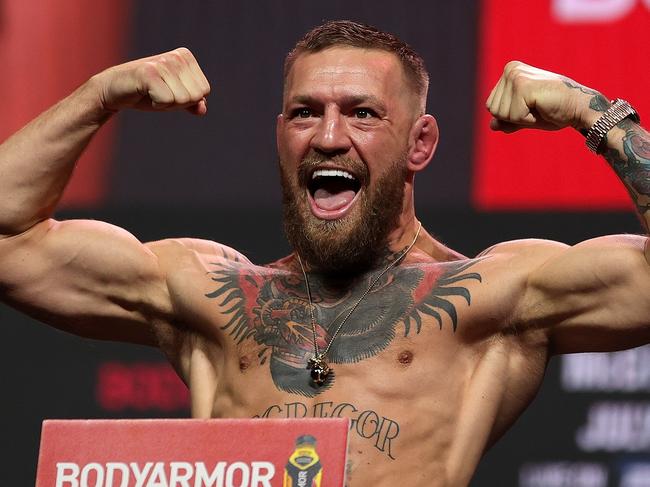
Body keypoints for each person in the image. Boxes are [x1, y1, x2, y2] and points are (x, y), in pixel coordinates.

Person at [0, 19, 649, 486]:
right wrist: (99, 95)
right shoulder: (212, 296)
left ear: (420, 144)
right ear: (280, 136)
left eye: (362, 113)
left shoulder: (489, 298)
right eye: (305, 112)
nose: (330, 136)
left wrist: (588, 110)